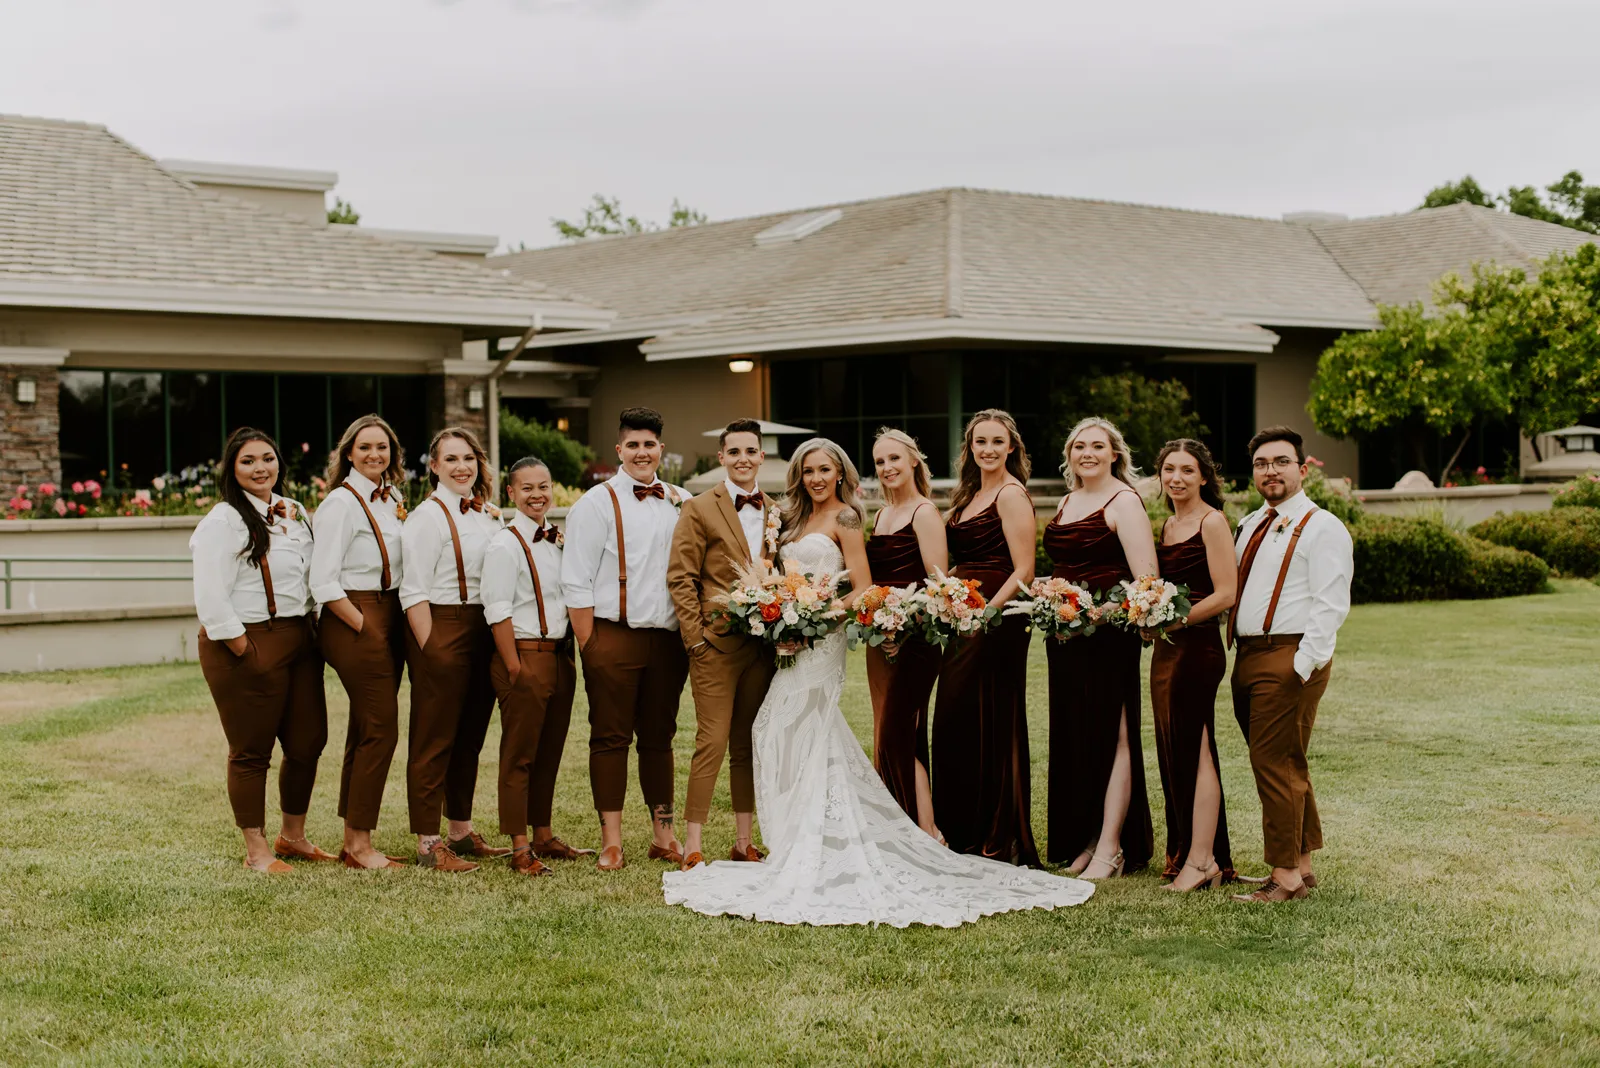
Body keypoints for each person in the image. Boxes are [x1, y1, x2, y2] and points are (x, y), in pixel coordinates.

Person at [662, 439, 1094, 926]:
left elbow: (864, 585)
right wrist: (782, 616)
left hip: (822, 639)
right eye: (808, 471)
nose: (816, 478)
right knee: (778, 730)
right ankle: (797, 836)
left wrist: (814, 618)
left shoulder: (849, 517)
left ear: (840, 473)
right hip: (790, 641)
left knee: (807, 727)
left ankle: (883, 834)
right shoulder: (789, 518)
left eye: (825, 470)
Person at [191, 427, 331, 873]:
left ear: (279, 464)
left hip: (299, 637)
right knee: (251, 750)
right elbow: (211, 596)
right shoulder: (222, 522)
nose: (260, 468)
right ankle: (256, 850)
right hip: (246, 639)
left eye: (267, 458)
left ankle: (293, 837)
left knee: (308, 740)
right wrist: (243, 648)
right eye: (248, 461)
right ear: (232, 469)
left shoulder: (294, 511)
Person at [562, 407, 690, 872]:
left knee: (660, 737)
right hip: (612, 636)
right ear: (619, 449)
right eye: (632, 445)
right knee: (610, 738)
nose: (641, 452)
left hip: (669, 640)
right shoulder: (595, 504)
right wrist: (590, 644)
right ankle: (611, 842)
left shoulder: (681, 500)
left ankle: (663, 835)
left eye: (649, 444)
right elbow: (575, 578)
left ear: (661, 449)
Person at [1229, 426, 1353, 903]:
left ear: (1302, 469)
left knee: (1273, 764)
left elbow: (1331, 602)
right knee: (1286, 762)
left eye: (1281, 462)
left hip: (1288, 655)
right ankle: (1301, 865)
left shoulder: (1323, 526)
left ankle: (1283, 877)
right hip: (1249, 654)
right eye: (1261, 464)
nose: (1270, 471)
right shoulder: (1249, 524)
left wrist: (1303, 664)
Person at [1041, 417, 1157, 878]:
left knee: (1115, 733)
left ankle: (1112, 845)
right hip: (1064, 638)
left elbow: (1146, 583)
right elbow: (1066, 566)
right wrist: (1049, 593)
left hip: (1108, 637)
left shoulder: (1124, 501)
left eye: (1097, 446)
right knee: (1078, 735)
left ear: (1115, 454)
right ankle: (1088, 839)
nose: (1087, 454)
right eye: (1079, 446)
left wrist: (1094, 614)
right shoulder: (1067, 500)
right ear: (1069, 455)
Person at [668, 418, 779, 871]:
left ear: (761, 456)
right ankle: (692, 843)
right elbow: (681, 577)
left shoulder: (775, 511)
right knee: (711, 741)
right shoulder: (699, 507)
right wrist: (696, 640)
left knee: (747, 742)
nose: (743, 459)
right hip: (715, 646)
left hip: (762, 647)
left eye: (750, 451)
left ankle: (743, 841)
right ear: (721, 458)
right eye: (734, 452)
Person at [933, 410, 1041, 866]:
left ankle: (994, 833)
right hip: (964, 614)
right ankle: (958, 827)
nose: (988, 449)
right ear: (970, 447)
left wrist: (985, 615)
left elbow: (1024, 570)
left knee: (988, 716)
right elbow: (964, 559)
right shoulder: (969, 494)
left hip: (997, 619)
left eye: (998, 441)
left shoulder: (1011, 494)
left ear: (1011, 447)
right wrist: (946, 595)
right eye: (981, 441)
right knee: (955, 718)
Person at [399, 426, 507, 873]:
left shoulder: (488, 514)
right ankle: (428, 843)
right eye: (451, 459)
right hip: (442, 625)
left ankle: (460, 832)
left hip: (485, 627)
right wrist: (432, 649)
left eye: (468, 458)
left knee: (469, 735)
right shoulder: (426, 517)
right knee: (434, 737)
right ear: (434, 466)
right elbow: (413, 590)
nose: (462, 467)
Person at [309, 414, 408, 871]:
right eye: (365, 447)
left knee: (366, 726)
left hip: (391, 612)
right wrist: (365, 626)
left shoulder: (393, 499)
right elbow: (322, 581)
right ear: (348, 453)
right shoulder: (339, 504)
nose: (374, 454)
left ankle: (353, 837)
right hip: (354, 615)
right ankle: (360, 844)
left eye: (382, 447)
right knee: (382, 726)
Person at [483, 456, 587, 878]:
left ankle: (543, 834)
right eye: (527, 488)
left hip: (560, 657)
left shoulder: (557, 541)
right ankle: (520, 846)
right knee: (519, 755)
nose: (537, 495)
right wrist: (514, 667)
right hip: (525, 657)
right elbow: (497, 609)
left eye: (543, 486)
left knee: (549, 752)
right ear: (511, 493)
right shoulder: (504, 545)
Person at [1147, 439, 1238, 891]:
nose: (1176, 478)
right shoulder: (1167, 525)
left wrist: (1175, 620)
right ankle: (1195, 855)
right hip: (1167, 650)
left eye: (1186, 470)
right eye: (1169, 469)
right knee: (1175, 749)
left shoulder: (1211, 521)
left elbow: (1226, 593)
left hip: (1197, 650)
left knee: (1197, 747)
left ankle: (1201, 861)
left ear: (1204, 476)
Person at [863, 428, 946, 837]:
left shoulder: (924, 513)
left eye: (894, 458)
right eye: (880, 462)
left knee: (897, 734)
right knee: (888, 733)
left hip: (916, 641)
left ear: (914, 460)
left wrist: (903, 626)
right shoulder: (881, 515)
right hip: (880, 640)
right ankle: (900, 829)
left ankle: (929, 833)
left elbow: (938, 587)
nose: (887, 467)